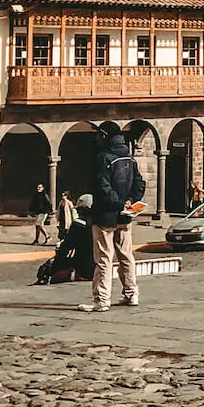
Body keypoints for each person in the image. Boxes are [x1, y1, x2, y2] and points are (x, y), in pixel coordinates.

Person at [79, 133, 146, 313]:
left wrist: (117, 203)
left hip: (105, 216)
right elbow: (140, 184)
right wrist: (130, 201)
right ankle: (132, 294)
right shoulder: (129, 158)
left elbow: (103, 186)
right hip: (125, 216)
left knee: (103, 259)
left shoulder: (103, 158)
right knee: (126, 255)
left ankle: (101, 300)